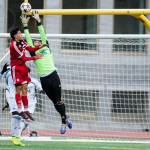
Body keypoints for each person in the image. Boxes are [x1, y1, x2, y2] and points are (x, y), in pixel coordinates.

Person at [21, 11, 72, 134]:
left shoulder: (46, 47)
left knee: (59, 101)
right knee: (55, 102)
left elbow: (43, 34)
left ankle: (63, 121)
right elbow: (28, 39)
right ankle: (65, 116)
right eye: (35, 42)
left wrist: (38, 21)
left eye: (38, 41)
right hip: (43, 79)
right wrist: (25, 26)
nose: (37, 42)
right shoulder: (33, 52)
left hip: (53, 76)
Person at [9, 26, 48, 121]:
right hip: (16, 68)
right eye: (19, 33)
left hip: (23, 67)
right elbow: (23, 58)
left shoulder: (22, 41)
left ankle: (27, 111)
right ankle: (21, 111)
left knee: (25, 89)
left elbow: (30, 49)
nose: (21, 34)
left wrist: (39, 47)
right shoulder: (13, 45)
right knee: (18, 89)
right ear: (15, 36)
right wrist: (35, 57)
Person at [1, 64, 44, 146]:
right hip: (15, 98)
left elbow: (41, 89)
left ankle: (17, 136)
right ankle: (15, 136)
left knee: (24, 118)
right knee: (17, 115)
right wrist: (2, 72)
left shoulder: (31, 80)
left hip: (27, 101)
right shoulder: (9, 70)